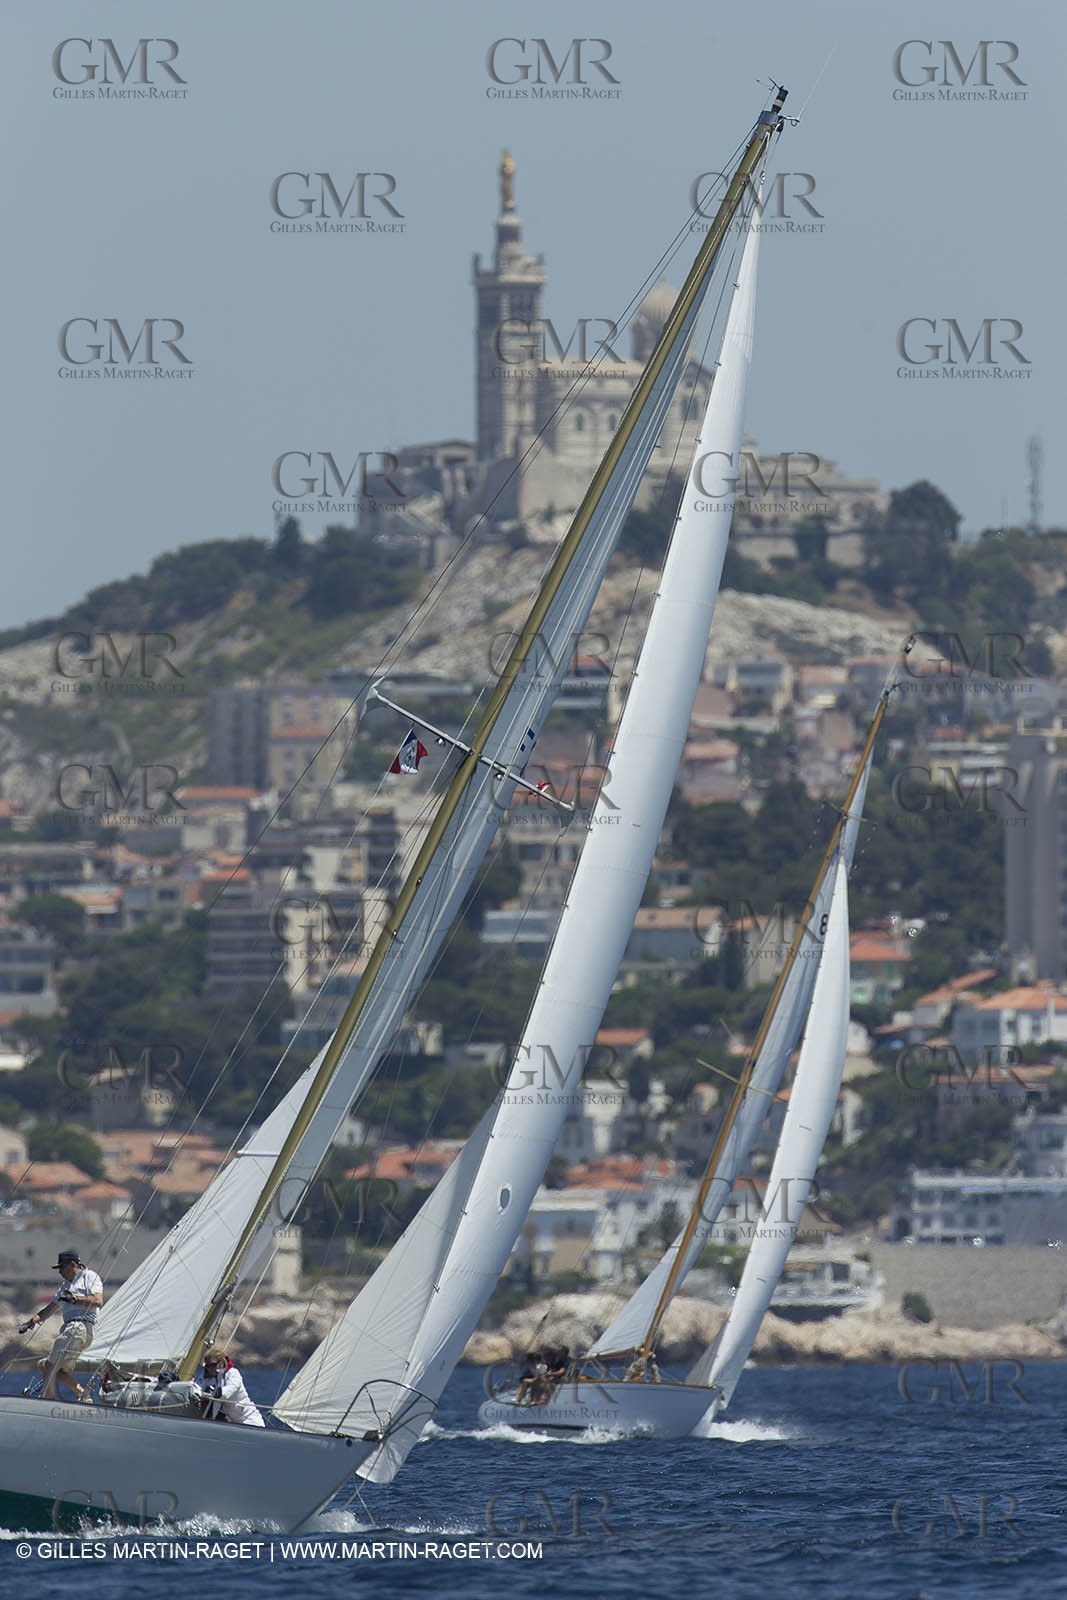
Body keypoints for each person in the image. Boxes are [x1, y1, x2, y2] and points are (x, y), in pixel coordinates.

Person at [23, 1249, 104, 1402]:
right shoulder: (65, 1286)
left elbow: (98, 1301)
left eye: (62, 1267)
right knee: (48, 1367)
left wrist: (74, 1299)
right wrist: (32, 1320)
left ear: (72, 1265)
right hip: (72, 1330)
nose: (59, 1272)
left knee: (50, 1366)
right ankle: (82, 1394)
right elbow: (51, 1308)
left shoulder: (89, 1277)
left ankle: (47, 1400)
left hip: (80, 1327)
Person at [190, 1345, 265, 1427]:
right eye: (207, 1366)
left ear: (221, 1362)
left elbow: (232, 1388)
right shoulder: (205, 1376)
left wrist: (218, 1392)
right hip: (230, 1421)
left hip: (249, 1420)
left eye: (213, 1365)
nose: (210, 1368)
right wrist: (195, 1393)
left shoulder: (233, 1373)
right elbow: (198, 1386)